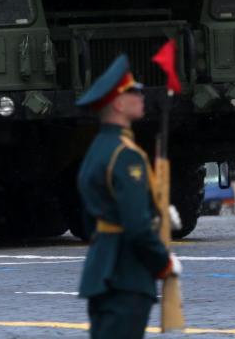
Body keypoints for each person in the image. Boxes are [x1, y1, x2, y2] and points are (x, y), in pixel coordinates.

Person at [75, 54, 181, 339]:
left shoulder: (97, 150)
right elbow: (136, 226)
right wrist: (164, 262)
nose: (141, 95)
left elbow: (90, 219)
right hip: (127, 276)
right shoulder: (126, 156)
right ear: (119, 104)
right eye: (134, 91)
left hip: (101, 271)